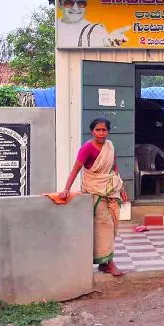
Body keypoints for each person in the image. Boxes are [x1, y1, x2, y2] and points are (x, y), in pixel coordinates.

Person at [59, 117, 128, 276]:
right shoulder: (87, 148)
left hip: (111, 190)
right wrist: (66, 189)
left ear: (108, 131)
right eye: (98, 130)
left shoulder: (110, 146)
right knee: (105, 224)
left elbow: (114, 168)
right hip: (94, 190)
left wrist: (121, 188)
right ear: (92, 131)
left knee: (112, 224)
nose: (101, 133)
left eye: (104, 130)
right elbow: (75, 170)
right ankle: (110, 264)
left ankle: (103, 263)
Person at [56, 0, 129, 48]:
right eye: (69, 3)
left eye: (81, 3)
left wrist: (106, 43)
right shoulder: (56, 25)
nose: (75, 8)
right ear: (59, 4)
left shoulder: (94, 29)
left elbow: (103, 42)